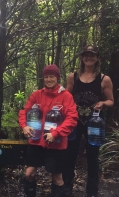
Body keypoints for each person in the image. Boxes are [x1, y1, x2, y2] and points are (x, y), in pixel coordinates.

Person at [18, 64, 78, 197]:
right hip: (36, 142)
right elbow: (24, 112)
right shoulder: (36, 95)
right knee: (29, 173)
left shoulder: (66, 96)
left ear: (57, 78)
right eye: (46, 77)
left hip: (56, 144)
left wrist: (56, 133)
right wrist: (24, 126)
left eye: (52, 76)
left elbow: (72, 118)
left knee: (57, 178)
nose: (49, 79)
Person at [62, 45, 114, 197]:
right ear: (82, 57)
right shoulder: (73, 76)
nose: (89, 58)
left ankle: (92, 190)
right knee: (70, 153)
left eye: (92, 55)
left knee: (92, 155)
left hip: (94, 123)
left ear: (97, 58)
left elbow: (111, 101)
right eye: (86, 55)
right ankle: (67, 186)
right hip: (74, 121)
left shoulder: (104, 79)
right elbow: (66, 97)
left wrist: (103, 103)